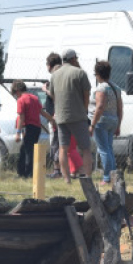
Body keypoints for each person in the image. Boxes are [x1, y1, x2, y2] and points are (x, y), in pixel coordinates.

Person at [47, 49, 94, 182]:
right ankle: (88, 177)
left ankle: (67, 178)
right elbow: (86, 94)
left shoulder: (55, 75)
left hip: (61, 117)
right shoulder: (79, 73)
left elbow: (53, 94)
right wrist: (84, 110)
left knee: (63, 148)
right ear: (73, 58)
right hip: (78, 116)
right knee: (85, 148)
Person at [90, 60, 123, 185]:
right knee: (109, 149)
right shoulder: (116, 88)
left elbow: (100, 106)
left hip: (102, 121)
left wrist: (92, 124)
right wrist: (119, 124)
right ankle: (114, 176)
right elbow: (120, 108)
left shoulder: (101, 88)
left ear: (98, 74)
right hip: (114, 120)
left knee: (103, 149)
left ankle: (107, 177)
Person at [12, 81, 43, 179]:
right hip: (37, 128)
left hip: (28, 127)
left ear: (17, 91)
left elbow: (21, 116)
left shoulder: (21, 100)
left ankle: (28, 174)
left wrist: (18, 132)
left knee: (28, 151)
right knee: (25, 150)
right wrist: (51, 119)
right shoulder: (35, 98)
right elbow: (41, 111)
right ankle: (22, 172)